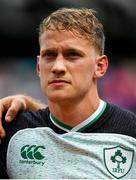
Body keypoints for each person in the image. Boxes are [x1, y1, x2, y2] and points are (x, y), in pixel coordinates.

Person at [0, 7, 136, 179]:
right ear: (38, 66)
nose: (57, 67)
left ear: (100, 66)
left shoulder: (131, 134)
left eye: (72, 55)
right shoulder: (11, 133)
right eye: (49, 55)